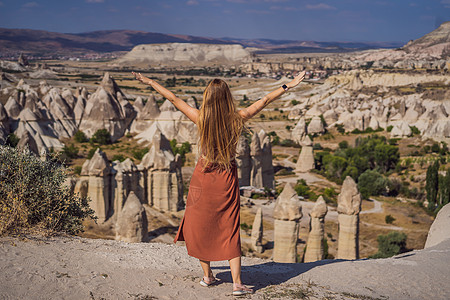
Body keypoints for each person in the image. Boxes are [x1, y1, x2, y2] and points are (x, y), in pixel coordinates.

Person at [133, 70, 306, 296]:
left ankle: (207, 276)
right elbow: (264, 100)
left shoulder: (200, 118)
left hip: (202, 176)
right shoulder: (238, 118)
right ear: (227, 98)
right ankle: (237, 283)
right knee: (229, 227)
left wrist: (149, 81)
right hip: (226, 177)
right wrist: (288, 86)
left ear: (207, 98)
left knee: (199, 225)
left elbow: (173, 98)